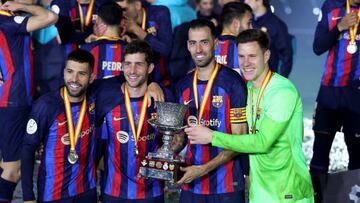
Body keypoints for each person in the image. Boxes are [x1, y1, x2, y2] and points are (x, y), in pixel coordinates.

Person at [185, 29, 314, 202]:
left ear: (266, 55)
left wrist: (211, 136)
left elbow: (262, 142)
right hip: (259, 192)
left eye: (252, 56)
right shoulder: (248, 89)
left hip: (288, 192)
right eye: (241, 56)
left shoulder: (282, 92)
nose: (246, 63)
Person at [175, 19, 249, 203]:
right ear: (187, 46)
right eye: (193, 43)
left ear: (215, 44)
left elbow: (241, 141)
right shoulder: (183, 85)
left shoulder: (233, 83)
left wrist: (202, 169)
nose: (198, 49)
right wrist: (168, 151)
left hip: (227, 186)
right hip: (192, 185)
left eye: (204, 42)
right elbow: (182, 135)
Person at [95, 40, 171, 203]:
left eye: (139, 64)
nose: (132, 70)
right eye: (128, 64)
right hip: (114, 191)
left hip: (152, 192)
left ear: (150, 68)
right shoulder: (106, 97)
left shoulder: (163, 98)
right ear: (122, 66)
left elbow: (176, 138)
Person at [21, 49, 97, 203]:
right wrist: (28, 196)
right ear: (63, 72)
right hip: (53, 193)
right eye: (70, 71)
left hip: (87, 190)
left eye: (82, 74)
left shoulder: (96, 100)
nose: (74, 79)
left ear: (91, 77)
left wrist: (153, 84)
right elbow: (28, 149)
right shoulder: (46, 105)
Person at [0, 1, 57, 201]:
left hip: (10, 100)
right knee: (13, 169)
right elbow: (50, 17)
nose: (32, 1)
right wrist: (19, 6)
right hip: (15, 101)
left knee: (6, 164)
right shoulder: (8, 22)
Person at [310, 0, 360, 177]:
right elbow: (318, 47)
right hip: (329, 91)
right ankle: (317, 197)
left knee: (357, 158)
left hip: (357, 94)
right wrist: (340, 26)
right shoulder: (331, 6)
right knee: (319, 156)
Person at [116, 0, 172, 87]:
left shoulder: (159, 13)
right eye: (118, 11)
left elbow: (165, 50)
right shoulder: (119, 23)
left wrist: (137, 30)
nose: (121, 15)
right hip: (132, 84)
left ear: (137, 5)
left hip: (161, 82)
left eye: (124, 9)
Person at [244, 0, 293, 78]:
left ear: (259, 1)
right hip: (246, 78)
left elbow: (286, 55)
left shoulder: (277, 25)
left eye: (249, 0)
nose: (246, 2)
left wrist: (281, 79)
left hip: (267, 79)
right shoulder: (245, 22)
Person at [81, 1, 128, 80]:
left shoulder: (86, 49)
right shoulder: (132, 50)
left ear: (98, 20)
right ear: (122, 22)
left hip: (94, 92)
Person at [215, 2, 252, 72]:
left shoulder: (207, 48)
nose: (251, 28)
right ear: (236, 24)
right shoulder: (246, 49)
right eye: (248, 23)